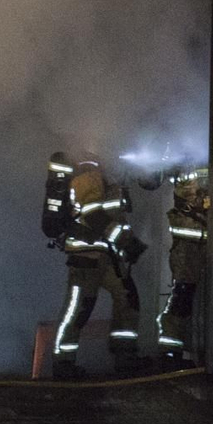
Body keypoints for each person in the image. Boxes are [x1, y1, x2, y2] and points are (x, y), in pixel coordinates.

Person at [52, 153, 142, 379]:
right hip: (87, 255)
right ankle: (63, 364)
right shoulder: (88, 174)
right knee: (78, 310)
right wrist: (126, 241)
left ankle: (125, 357)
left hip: (107, 255)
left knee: (128, 299)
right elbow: (94, 216)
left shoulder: (107, 177)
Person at [157, 168, 211, 362]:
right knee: (181, 300)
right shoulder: (188, 170)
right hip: (187, 253)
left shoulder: (212, 164)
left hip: (202, 250)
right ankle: (170, 353)